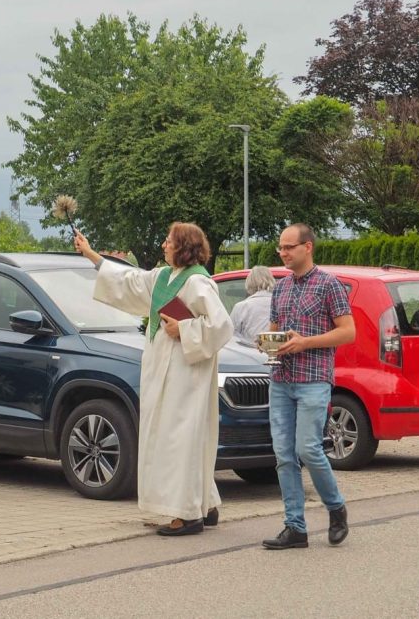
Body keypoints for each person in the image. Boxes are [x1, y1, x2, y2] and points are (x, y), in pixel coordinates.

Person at [75, 223, 233, 536]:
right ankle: (205, 504)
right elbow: (129, 281)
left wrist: (184, 330)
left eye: (168, 241)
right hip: (163, 370)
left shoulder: (198, 282)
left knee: (180, 441)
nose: (163, 245)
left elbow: (220, 326)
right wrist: (92, 254)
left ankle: (188, 516)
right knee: (173, 439)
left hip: (186, 376)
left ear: (183, 247)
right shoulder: (164, 277)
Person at [261, 224, 356, 550]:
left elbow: (348, 332)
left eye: (289, 247)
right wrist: (266, 343)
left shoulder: (329, 285)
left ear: (308, 247)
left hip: (313, 379)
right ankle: (295, 527)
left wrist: (306, 343)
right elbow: (274, 330)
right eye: (280, 248)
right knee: (283, 455)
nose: (284, 253)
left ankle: (336, 507)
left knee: (308, 449)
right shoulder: (281, 287)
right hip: (281, 381)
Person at [230, 265, 275, 346]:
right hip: (277, 352)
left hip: (249, 355)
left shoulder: (241, 307)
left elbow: (231, 338)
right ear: (271, 280)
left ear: (249, 282)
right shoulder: (279, 303)